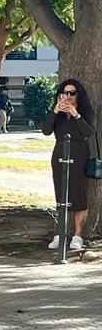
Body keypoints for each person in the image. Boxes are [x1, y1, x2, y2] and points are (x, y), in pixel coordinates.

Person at [43, 78, 96, 251]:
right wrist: (55, 111)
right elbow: (46, 130)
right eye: (65, 93)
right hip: (59, 156)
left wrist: (75, 114)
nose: (68, 96)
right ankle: (60, 234)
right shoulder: (57, 113)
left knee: (79, 195)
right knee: (61, 196)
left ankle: (78, 235)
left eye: (72, 93)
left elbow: (89, 132)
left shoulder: (85, 111)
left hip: (79, 156)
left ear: (78, 95)